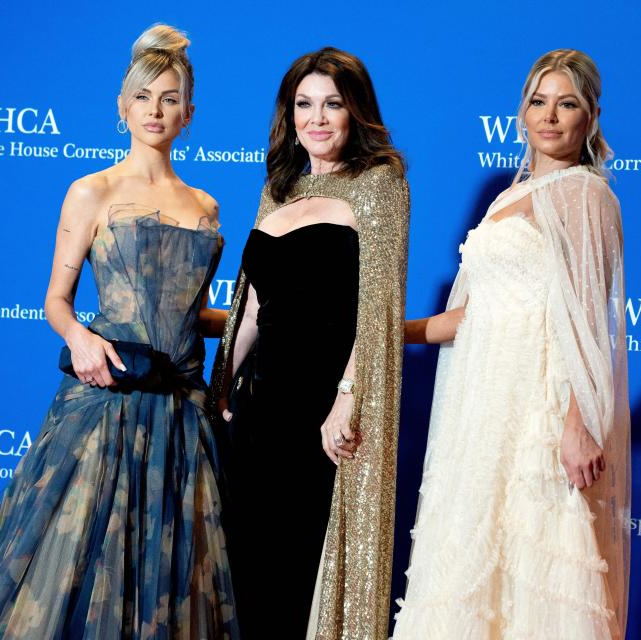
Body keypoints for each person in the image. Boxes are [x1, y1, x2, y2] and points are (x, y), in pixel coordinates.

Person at [0, 24, 238, 639]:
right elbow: (57, 301)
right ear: (122, 107)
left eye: (169, 98)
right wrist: (81, 340)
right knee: (68, 561)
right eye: (143, 97)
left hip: (182, 418)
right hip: (105, 403)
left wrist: (259, 324)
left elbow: (190, 314)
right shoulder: (91, 191)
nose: (155, 110)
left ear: (189, 112)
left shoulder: (207, 207)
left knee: (172, 575)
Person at [394, 49, 630, 639]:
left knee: (535, 564)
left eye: (567, 103)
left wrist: (579, 424)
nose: (550, 116)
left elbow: (588, 324)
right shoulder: (505, 199)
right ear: (522, 114)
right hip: (482, 411)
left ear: (591, 118)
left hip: (538, 413)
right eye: (538, 101)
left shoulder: (584, 195)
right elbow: (466, 318)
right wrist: (388, 332)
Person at [212, 47, 409, 639]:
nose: (316, 118)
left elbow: (380, 306)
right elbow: (251, 307)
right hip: (258, 408)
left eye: (332, 104)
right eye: (304, 104)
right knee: (249, 566)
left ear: (355, 112)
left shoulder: (380, 186)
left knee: (303, 571)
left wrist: (347, 396)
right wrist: (221, 382)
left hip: (322, 407)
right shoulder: (280, 188)